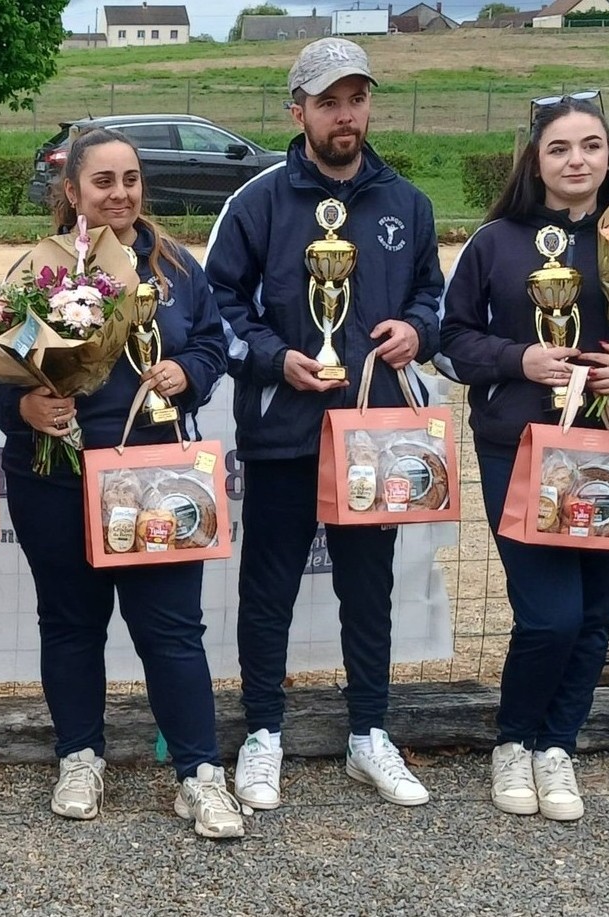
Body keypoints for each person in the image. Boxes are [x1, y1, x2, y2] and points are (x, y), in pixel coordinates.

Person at [438, 97, 609, 821]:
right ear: (536, 160)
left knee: (592, 615)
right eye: (559, 148)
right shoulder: (494, 242)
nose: (576, 159)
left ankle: (557, 744)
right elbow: (450, 341)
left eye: (591, 145)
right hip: (521, 450)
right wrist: (518, 359)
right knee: (549, 616)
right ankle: (513, 740)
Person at [206, 37, 444, 811]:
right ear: (297, 110)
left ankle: (369, 733)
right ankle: (263, 733)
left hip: (375, 434)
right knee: (268, 587)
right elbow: (219, 309)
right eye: (329, 101)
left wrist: (415, 329)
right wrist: (277, 360)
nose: (346, 115)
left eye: (356, 99)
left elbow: (433, 298)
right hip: (284, 431)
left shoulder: (408, 204)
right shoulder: (257, 203)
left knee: (368, 588)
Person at [0, 128, 241, 838]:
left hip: (153, 475)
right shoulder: (36, 271)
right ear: (71, 191)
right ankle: (79, 757)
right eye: (103, 181)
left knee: (172, 629)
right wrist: (26, 407)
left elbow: (213, 342)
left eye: (130, 179)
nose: (120, 193)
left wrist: (188, 371)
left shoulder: (176, 267)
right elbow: (3, 368)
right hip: (59, 475)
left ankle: (199, 774)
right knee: (71, 624)